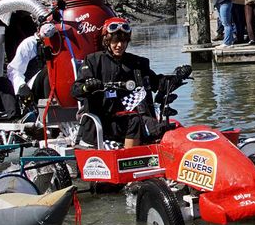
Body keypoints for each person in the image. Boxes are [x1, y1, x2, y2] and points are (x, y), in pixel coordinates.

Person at [72, 18, 188, 148]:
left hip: (132, 118)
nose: (120, 45)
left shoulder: (138, 63)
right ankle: (131, 157)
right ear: (107, 41)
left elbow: (158, 83)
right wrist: (87, 86)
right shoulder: (93, 61)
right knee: (135, 121)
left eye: (123, 41)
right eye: (116, 41)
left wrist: (177, 77)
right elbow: (76, 91)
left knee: (162, 127)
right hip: (104, 120)